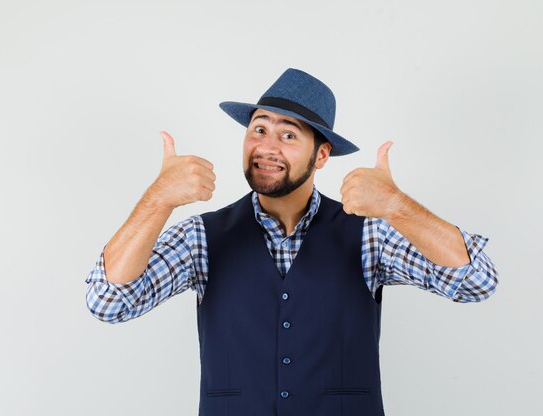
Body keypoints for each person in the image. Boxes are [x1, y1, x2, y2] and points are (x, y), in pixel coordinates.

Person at [85, 68, 498, 416]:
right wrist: (159, 198)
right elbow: (109, 302)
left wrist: (395, 205)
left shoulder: (369, 233)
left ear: (321, 156)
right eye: (258, 129)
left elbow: (477, 280)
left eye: (288, 135)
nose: (265, 146)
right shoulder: (202, 237)